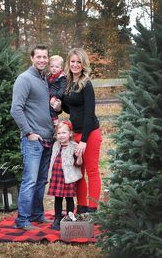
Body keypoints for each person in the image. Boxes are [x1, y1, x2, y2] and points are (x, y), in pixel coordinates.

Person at [10, 44, 54, 230]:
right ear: (31, 58)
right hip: (33, 140)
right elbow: (16, 109)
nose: (42, 60)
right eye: (39, 57)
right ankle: (23, 220)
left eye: (45, 57)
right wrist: (29, 132)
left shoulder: (44, 79)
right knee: (30, 180)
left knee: (41, 180)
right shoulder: (25, 79)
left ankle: (37, 214)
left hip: (48, 139)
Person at [62, 48, 102, 214]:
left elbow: (89, 114)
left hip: (89, 133)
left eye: (79, 62)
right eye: (73, 61)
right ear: (68, 63)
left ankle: (92, 209)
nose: (75, 64)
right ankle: (82, 207)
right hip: (75, 133)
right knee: (78, 172)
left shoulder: (87, 84)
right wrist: (59, 106)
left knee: (91, 170)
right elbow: (70, 107)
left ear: (83, 64)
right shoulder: (68, 82)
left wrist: (84, 141)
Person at [48, 121, 83, 230]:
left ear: (70, 134)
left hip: (68, 177)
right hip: (56, 176)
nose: (61, 135)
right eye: (59, 133)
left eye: (64, 133)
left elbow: (78, 164)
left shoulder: (74, 146)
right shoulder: (55, 145)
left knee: (69, 198)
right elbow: (53, 160)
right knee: (57, 198)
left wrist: (79, 156)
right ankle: (57, 218)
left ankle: (69, 217)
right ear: (56, 135)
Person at [47, 55, 66, 125]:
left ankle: (56, 124)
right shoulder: (48, 76)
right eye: (52, 66)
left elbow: (62, 90)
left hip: (56, 97)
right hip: (48, 96)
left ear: (61, 68)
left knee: (52, 108)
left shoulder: (62, 78)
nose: (54, 68)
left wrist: (55, 97)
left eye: (57, 67)